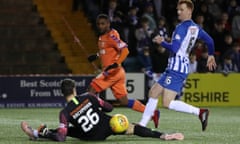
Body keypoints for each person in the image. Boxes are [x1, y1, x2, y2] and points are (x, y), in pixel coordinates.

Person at [21, 79, 184, 141]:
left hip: (89, 136)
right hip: (107, 127)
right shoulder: (88, 96)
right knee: (134, 128)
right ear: (75, 89)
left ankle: (37, 133)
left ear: (62, 94)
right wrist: (97, 102)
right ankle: (164, 136)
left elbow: (61, 138)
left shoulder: (64, 113)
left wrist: (54, 135)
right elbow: (109, 107)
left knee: (68, 131)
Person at [139, 0, 217, 131]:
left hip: (176, 68)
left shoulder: (181, 28)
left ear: (189, 11)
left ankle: (199, 112)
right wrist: (211, 54)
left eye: (181, 9)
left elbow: (174, 48)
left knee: (167, 102)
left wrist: (162, 42)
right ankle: (142, 125)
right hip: (177, 67)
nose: (178, 12)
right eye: (178, 9)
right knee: (153, 92)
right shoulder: (196, 28)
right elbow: (210, 41)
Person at [87, 14, 159, 127]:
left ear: (108, 24)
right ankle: (152, 112)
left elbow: (125, 50)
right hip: (117, 73)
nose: (100, 26)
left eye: (103, 23)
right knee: (124, 101)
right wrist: (96, 56)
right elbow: (107, 51)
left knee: (91, 90)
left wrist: (116, 63)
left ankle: (91, 119)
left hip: (112, 73)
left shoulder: (112, 36)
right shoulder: (102, 37)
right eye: (98, 24)